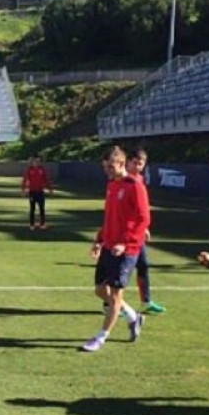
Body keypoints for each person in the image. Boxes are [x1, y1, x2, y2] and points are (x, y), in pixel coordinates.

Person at [80, 146, 148, 352]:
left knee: (116, 296)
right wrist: (99, 241)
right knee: (101, 290)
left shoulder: (134, 185)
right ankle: (133, 316)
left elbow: (143, 218)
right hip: (109, 245)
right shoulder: (112, 185)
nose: (107, 171)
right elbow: (109, 217)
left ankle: (100, 338)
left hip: (126, 250)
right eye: (105, 167)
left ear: (121, 163)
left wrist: (125, 243)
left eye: (110, 166)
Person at [126, 148, 166, 314]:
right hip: (126, 232)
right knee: (123, 268)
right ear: (128, 162)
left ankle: (146, 301)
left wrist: (144, 227)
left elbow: (140, 209)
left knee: (142, 265)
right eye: (134, 162)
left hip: (137, 231)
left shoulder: (139, 180)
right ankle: (109, 303)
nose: (137, 166)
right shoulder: (124, 181)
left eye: (141, 163)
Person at [21, 157, 53, 230]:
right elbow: (25, 180)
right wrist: (23, 190)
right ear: (32, 162)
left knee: (42, 208)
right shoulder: (29, 170)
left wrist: (50, 189)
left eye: (38, 161)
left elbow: (46, 179)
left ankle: (42, 224)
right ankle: (32, 225)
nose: (37, 163)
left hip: (40, 192)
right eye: (35, 161)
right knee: (32, 208)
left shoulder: (42, 169)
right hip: (32, 192)